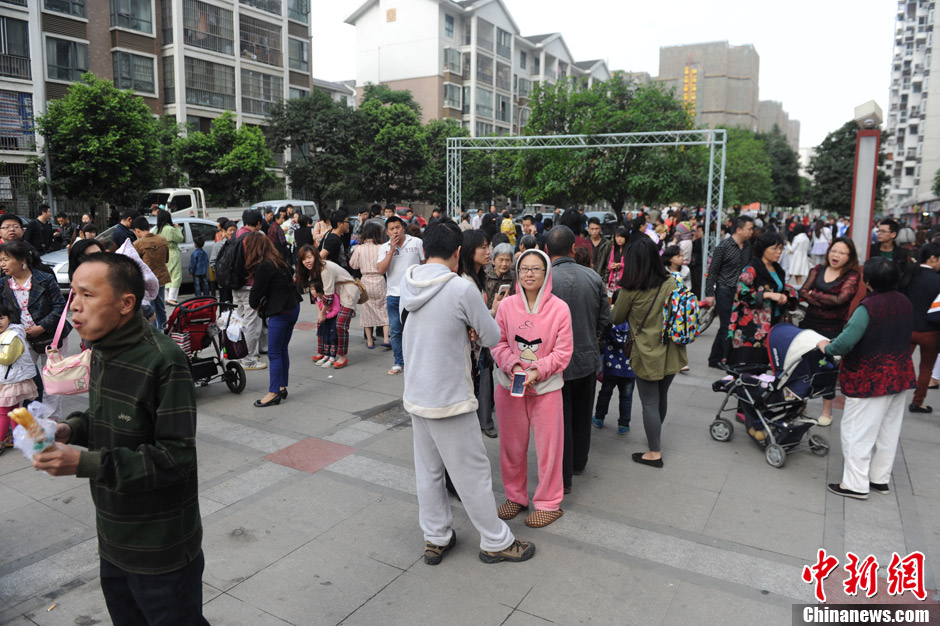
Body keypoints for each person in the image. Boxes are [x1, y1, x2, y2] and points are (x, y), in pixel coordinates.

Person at [31, 254, 209, 624]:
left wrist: (84, 463)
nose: (74, 307)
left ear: (126, 303)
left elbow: (176, 458)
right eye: (72, 295)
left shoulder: (164, 361)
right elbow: (106, 416)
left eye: (87, 295)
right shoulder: (100, 350)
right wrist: (71, 429)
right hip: (112, 536)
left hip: (161, 548)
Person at [399, 221, 536, 565]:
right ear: (458, 253)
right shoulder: (461, 289)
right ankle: (495, 540)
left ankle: (436, 536)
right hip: (450, 397)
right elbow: (491, 336)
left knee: (429, 471)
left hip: (417, 393)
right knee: (472, 472)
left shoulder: (409, 281)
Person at [817, 257, 916, 499]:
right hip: (899, 375)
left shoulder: (867, 307)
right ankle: (879, 479)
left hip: (869, 378)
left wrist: (825, 347)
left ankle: (855, 484)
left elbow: (845, 342)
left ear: (868, 281)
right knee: (888, 431)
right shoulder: (905, 302)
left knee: (856, 432)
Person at [491, 248, 572, 528]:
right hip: (509, 387)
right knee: (511, 446)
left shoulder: (560, 308)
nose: (529, 274)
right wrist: (513, 366)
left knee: (549, 448)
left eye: (536, 268)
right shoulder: (507, 306)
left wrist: (537, 370)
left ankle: (549, 502)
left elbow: (563, 352)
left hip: (546, 388)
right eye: (524, 268)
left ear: (546, 273)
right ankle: (515, 497)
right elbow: (498, 343)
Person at [611, 237, 688, 468]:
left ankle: (654, 452)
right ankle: (654, 436)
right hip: (672, 350)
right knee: (660, 396)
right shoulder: (672, 281)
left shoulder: (630, 289)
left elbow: (616, 318)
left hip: (647, 353)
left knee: (649, 402)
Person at [546, 226, 610, 493]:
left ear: (547, 251)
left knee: (560, 420)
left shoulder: (545, 280)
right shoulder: (594, 278)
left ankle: (564, 477)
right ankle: (579, 463)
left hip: (554, 364)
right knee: (583, 414)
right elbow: (605, 320)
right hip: (586, 358)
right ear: (573, 248)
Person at [0, 240, 69, 419]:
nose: (2, 264)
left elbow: (60, 307)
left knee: (52, 383)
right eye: (1, 260)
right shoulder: (3, 284)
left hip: (51, 338)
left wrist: (41, 327)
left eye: (6, 259)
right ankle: (23, 423)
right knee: (20, 381)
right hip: (20, 341)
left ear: (22, 260)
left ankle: (52, 423)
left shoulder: (44, 279)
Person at [798, 237, 861, 426]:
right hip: (809, 325)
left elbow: (841, 300)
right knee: (804, 366)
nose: (836, 255)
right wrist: (825, 299)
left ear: (849, 257)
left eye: (842, 253)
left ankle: (826, 410)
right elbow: (802, 292)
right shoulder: (817, 270)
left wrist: (814, 296)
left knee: (827, 369)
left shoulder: (852, 276)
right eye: (834, 251)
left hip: (832, 329)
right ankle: (801, 404)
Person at [246, 233, 301, 408]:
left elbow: (253, 299)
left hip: (281, 311)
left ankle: (274, 392)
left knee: (274, 353)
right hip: (293, 307)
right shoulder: (279, 260)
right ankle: (282, 386)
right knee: (282, 349)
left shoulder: (264, 266)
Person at [727, 232, 796, 367]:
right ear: (763, 249)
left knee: (763, 367)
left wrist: (785, 296)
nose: (779, 252)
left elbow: (781, 288)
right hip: (752, 328)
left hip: (773, 324)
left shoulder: (777, 269)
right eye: (774, 248)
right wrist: (768, 295)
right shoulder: (751, 269)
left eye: (781, 248)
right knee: (748, 367)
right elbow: (742, 295)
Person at [460, 229, 504, 438]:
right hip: (468, 353)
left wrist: (492, 310)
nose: (488, 251)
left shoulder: (476, 277)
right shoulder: (465, 281)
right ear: (470, 251)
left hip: (475, 350)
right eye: (483, 247)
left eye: (489, 246)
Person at [703, 216, 755, 368]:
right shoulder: (723, 246)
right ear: (739, 229)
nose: (752, 232)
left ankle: (714, 358)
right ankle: (727, 360)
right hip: (724, 290)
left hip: (741, 292)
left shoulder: (748, 247)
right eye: (749, 229)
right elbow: (712, 271)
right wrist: (709, 294)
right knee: (727, 325)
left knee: (732, 325)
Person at [376, 216, 425, 375]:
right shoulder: (384, 248)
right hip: (394, 295)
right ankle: (399, 362)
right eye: (392, 229)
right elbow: (380, 270)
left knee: (415, 330)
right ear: (387, 232)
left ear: (403, 228)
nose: (395, 231)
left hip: (414, 294)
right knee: (396, 330)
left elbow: (424, 264)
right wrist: (391, 250)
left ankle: (416, 361)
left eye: (398, 227)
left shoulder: (416, 242)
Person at [297, 245, 357, 369]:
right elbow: (314, 295)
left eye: (309, 257)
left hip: (347, 291)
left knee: (340, 324)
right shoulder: (311, 270)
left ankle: (342, 356)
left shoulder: (325, 268)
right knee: (321, 323)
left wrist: (322, 312)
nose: (306, 261)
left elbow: (328, 297)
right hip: (335, 294)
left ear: (315, 256)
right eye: (304, 259)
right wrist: (320, 312)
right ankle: (324, 353)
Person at [900, 242, 940, 413]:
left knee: (899, 363)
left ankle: (892, 395)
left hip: (907, 329)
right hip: (930, 332)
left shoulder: (909, 275)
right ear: (933, 258)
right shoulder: (938, 280)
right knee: (926, 368)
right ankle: (918, 402)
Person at [0, 300, 38, 451]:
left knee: (3, 411)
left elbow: (7, 358)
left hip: (13, 381)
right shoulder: (5, 334)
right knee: (14, 410)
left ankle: (1, 439)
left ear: (9, 318)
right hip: (9, 379)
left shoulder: (12, 336)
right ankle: (23, 438)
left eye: (1, 318)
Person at [233, 210, 268, 371]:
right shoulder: (253, 238)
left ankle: (240, 355)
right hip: (250, 286)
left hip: (236, 285)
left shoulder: (235, 235)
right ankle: (249, 360)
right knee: (252, 324)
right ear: (259, 223)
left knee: (239, 322)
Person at [348, 221, 390, 350]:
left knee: (366, 311)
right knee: (383, 309)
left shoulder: (359, 249)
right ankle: (387, 338)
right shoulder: (382, 247)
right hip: (379, 280)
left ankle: (370, 341)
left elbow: (353, 265)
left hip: (365, 280)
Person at [592, 316, 636, 434]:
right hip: (629, 368)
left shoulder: (610, 323)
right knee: (626, 397)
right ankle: (624, 424)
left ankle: (599, 418)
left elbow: (601, 334)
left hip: (610, 366)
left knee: (605, 393)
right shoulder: (634, 324)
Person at [132, 217, 171, 330]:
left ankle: (153, 332)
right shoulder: (163, 240)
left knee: (150, 308)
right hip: (162, 278)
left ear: (137, 230)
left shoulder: (137, 244)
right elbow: (166, 259)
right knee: (161, 307)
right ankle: (164, 329)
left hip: (147, 280)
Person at [156, 211, 183, 305]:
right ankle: (172, 298)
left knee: (166, 275)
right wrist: (178, 228)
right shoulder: (170, 229)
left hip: (161, 254)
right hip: (172, 252)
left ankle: (166, 297)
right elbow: (180, 238)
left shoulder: (156, 229)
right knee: (175, 275)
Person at [587, 217, 611, 283]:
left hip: (601, 277)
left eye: (596, 229)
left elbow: (608, 262)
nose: (594, 231)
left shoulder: (607, 243)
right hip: (587, 277)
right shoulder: (584, 243)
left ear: (600, 229)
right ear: (588, 229)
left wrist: (605, 279)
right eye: (592, 229)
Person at [606, 227, 628, 297]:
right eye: (617, 237)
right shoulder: (614, 248)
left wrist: (620, 265)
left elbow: (631, 265)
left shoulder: (629, 249)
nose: (619, 239)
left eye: (622, 237)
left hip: (624, 280)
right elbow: (609, 264)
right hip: (613, 279)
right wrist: (611, 266)